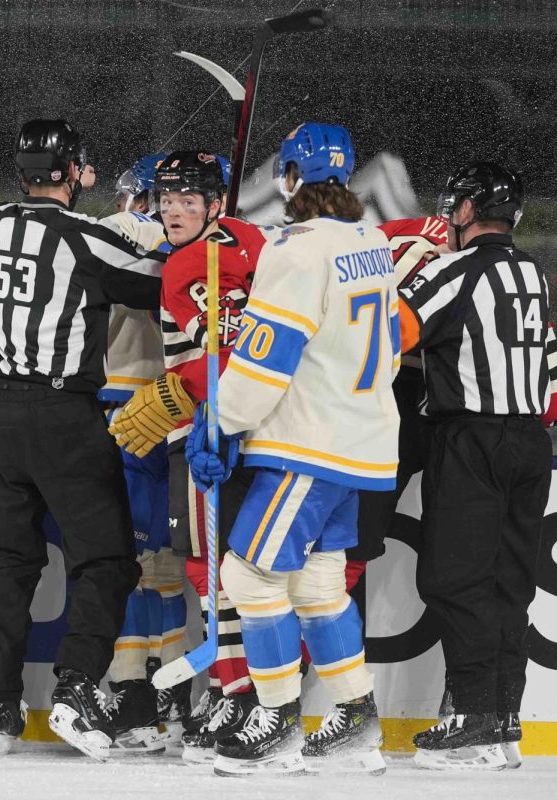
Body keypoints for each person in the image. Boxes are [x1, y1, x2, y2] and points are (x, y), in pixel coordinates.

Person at [187, 123, 399, 776]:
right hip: (359, 445)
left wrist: (219, 422)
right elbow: (388, 345)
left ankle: (274, 720)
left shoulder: (295, 250)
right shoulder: (372, 244)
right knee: (316, 583)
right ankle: (358, 716)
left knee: (248, 575)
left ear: (289, 179)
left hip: (307, 445)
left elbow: (265, 362)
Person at [0, 119, 164, 761]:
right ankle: (77, 688)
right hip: (63, 415)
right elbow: (160, 284)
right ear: (75, 171)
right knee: (107, 560)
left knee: (7, 562)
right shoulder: (85, 235)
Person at [109, 150, 268, 763]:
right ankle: (246, 693)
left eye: (187, 200)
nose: (173, 210)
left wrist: (182, 392)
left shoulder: (187, 269)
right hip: (249, 431)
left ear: (215, 204)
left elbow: (231, 357)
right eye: (167, 199)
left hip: (210, 434)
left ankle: (239, 694)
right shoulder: (254, 241)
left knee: (214, 572)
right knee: (232, 573)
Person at [398, 162, 556, 771]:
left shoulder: (453, 269)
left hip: (471, 439)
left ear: (465, 212)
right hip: (529, 441)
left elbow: (393, 329)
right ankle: (502, 718)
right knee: (508, 582)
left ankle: (471, 718)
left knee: (453, 578)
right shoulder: (532, 272)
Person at [97, 151, 184, 755]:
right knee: (169, 560)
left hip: (120, 404)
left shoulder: (113, 230)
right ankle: (171, 691)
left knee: (124, 559)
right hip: (178, 405)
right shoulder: (200, 241)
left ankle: (130, 692)